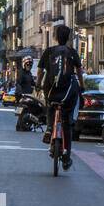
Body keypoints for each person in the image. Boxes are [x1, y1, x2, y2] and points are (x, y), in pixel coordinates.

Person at [37, 23, 82, 171]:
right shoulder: (72, 52)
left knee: (50, 106)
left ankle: (50, 127)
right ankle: (67, 155)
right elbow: (79, 72)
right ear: (68, 37)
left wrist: (38, 85)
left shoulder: (48, 52)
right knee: (67, 123)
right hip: (67, 92)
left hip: (51, 90)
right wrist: (82, 86)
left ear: (55, 37)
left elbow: (40, 71)